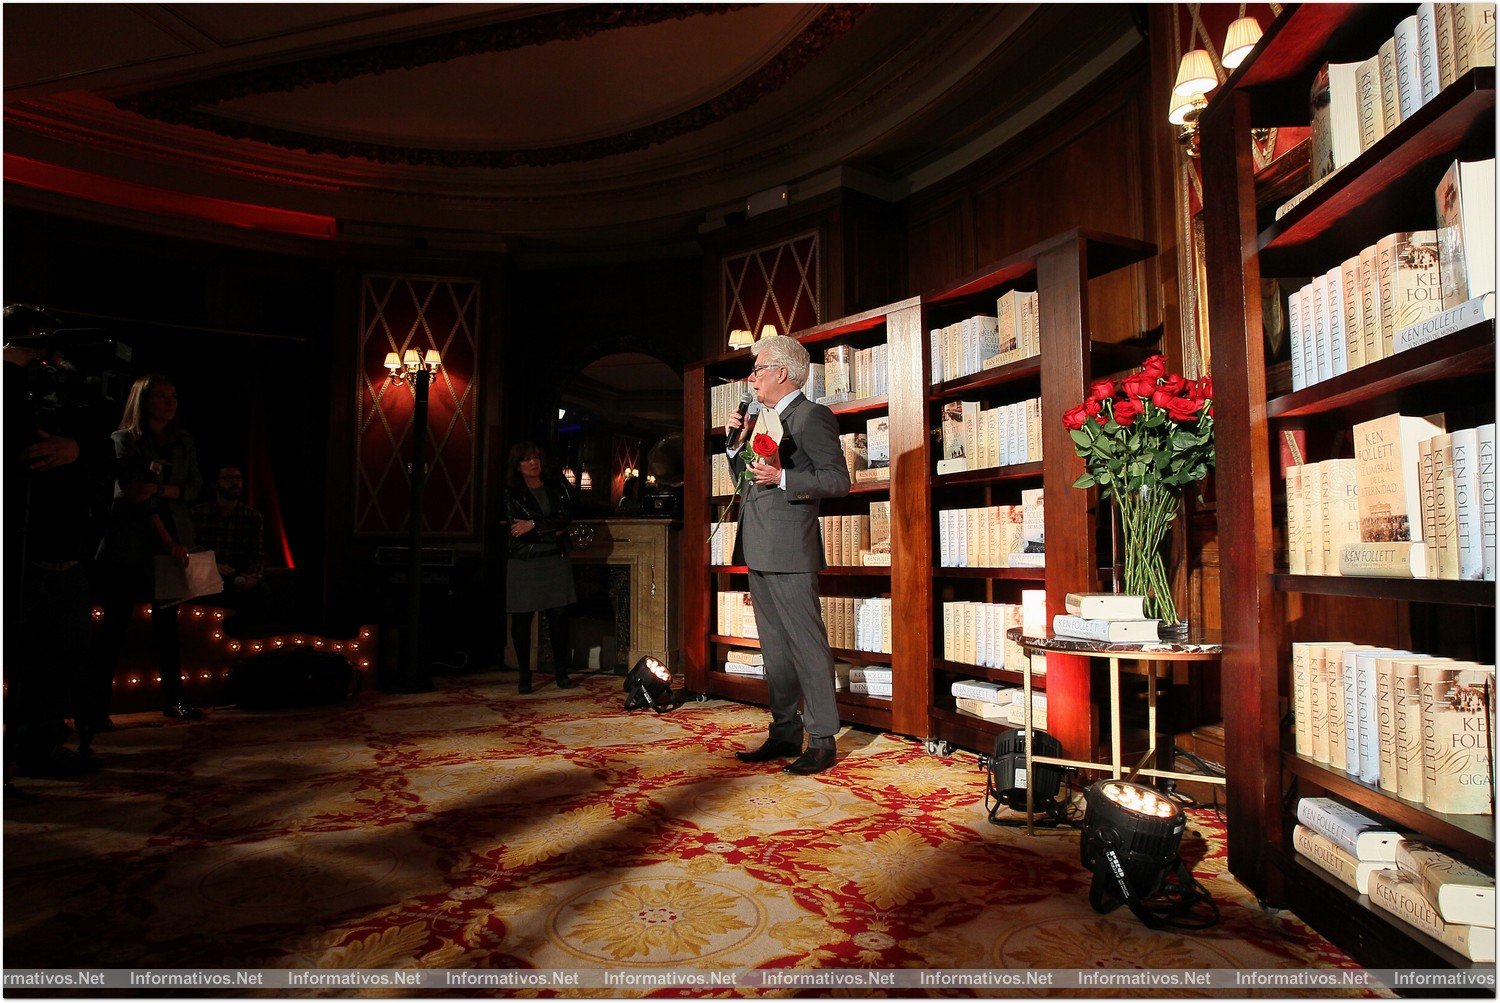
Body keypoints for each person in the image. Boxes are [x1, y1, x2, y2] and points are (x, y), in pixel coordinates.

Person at [725, 334, 850, 775]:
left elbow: (837, 481)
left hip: (791, 548)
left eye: (757, 369)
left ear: (781, 372)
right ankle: (783, 731)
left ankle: (821, 740)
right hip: (758, 545)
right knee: (774, 648)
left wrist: (783, 478)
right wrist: (735, 446)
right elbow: (747, 479)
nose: (751, 377)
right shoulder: (764, 417)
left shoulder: (811, 416)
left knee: (806, 645)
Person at [3, 307, 101, 779]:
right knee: (24, 650)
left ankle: (42, 742)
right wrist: (11, 365)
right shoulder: (10, 386)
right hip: (16, 544)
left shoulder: (65, 391)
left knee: (65, 647)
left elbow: (108, 449)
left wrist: (76, 449)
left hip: (64, 542)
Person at [91, 373, 204, 723]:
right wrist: (164, 495)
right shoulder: (125, 439)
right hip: (131, 544)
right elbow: (134, 494)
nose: (169, 403)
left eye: (174, 396)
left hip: (172, 543)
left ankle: (175, 699)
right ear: (143, 401)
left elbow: (195, 487)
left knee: (169, 626)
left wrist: (161, 490)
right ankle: (94, 709)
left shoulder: (182, 441)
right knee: (115, 625)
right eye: (161, 396)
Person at [503, 441, 577, 694]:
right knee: (522, 619)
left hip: (554, 559)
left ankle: (561, 672)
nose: (533, 463)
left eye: (536, 458)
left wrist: (534, 525)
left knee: (558, 617)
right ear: (518, 465)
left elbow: (564, 519)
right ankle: (525, 675)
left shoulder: (557, 487)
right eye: (526, 459)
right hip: (524, 561)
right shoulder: (511, 492)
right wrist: (549, 530)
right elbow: (516, 529)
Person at [190, 463, 270, 628]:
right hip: (205, 576)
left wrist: (253, 578)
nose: (235, 483)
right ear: (215, 484)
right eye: (228, 478)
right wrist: (213, 566)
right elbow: (189, 551)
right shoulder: (197, 513)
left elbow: (258, 555)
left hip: (237, 577)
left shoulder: (252, 517)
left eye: (238, 478)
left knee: (261, 592)